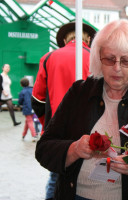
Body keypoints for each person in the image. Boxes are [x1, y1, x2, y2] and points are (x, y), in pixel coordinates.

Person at [35, 19, 128, 200]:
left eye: (126, 60)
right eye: (109, 59)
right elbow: (44, 149)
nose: (117, 68)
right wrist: (74, 149)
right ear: (98, 57)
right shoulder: (79, 92)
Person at [32, 21, 96, 200]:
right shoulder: (95, 58)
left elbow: (37, 100)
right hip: (89, 130)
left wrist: (49, 124)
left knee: (56, 176)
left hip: (58, 132)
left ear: (65, 39)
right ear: (88, 39)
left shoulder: (49, 57)